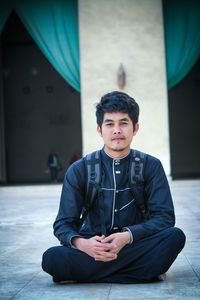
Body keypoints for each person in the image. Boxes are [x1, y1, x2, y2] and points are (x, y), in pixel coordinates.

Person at [42, 91, 186, 283]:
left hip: (135, 245)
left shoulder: (151, 166)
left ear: (135, 128)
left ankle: (95, 274)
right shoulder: (79, 170)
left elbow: (165, 217)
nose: (117, 130)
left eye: (123, 123)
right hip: (93, 250)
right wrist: (83, 244)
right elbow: (63, 224)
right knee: (51, 257)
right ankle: (140, 273)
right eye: (109, 124)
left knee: (174, 237)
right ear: (99, 130)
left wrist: (127, 236)